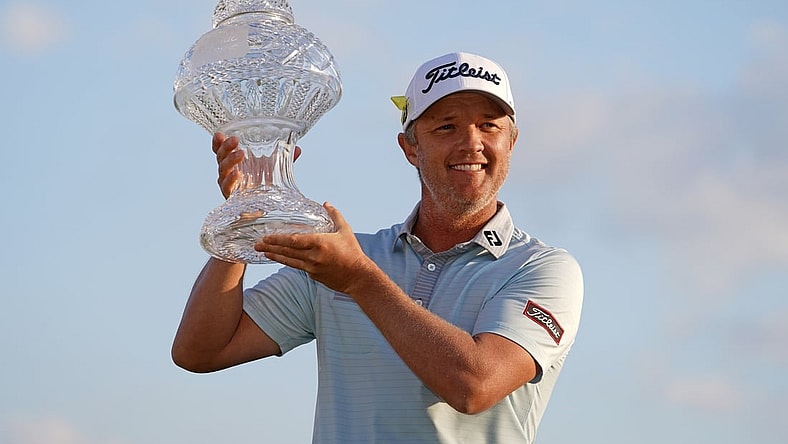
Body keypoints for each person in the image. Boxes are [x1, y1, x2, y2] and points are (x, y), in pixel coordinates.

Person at [172, 52, 584, 443]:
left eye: (489, 125)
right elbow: (201, 351)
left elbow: (474, 385)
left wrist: (360, 281)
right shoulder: (341, 261)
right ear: (410, 148)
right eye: (446, 127)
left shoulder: (543, 269)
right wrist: (243, 221)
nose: (471, 143)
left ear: (511, 142)